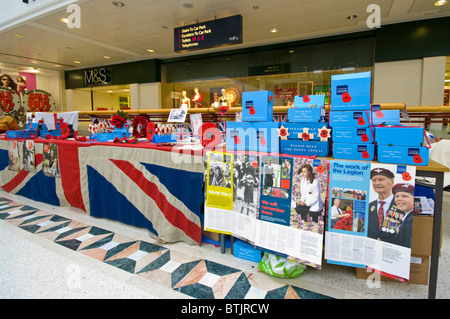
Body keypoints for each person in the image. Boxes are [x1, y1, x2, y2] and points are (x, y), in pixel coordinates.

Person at [367, 167, 396, 240]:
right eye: (374, 180)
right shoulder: (369, 206)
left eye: (381, 180)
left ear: (392, 182)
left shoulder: (401, 206)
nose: (377, 183)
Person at [389, 183, 416, 248]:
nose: (399, 199)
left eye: (404, 196)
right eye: (397, 196)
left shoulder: (411, 219)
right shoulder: (407, 216)